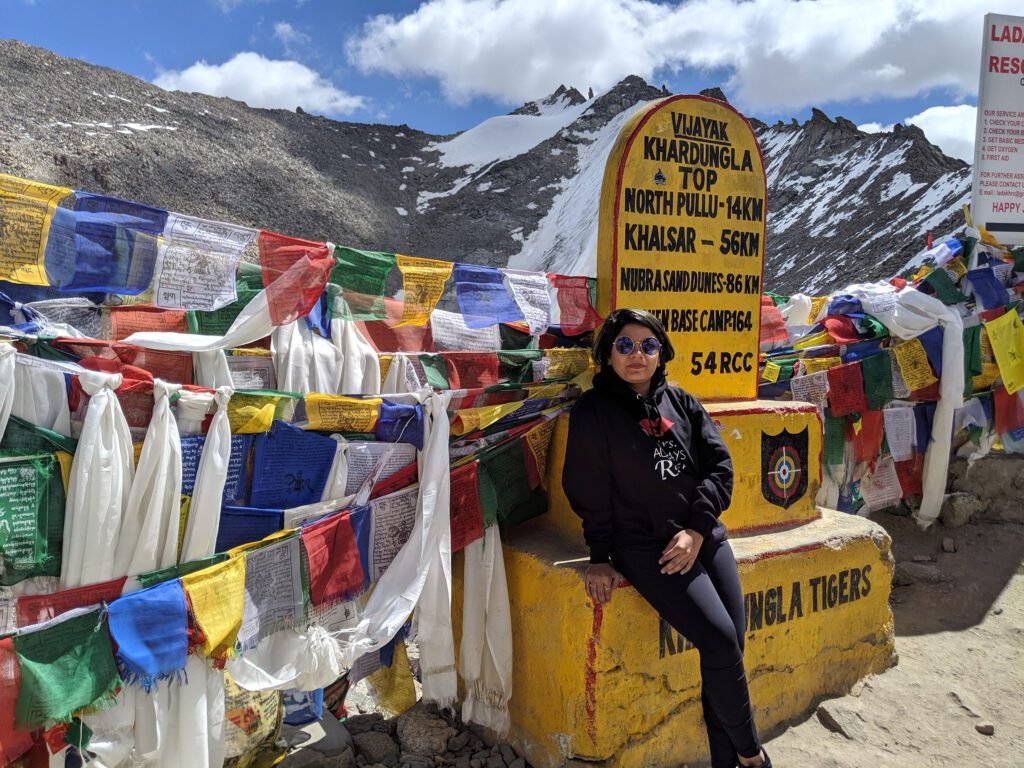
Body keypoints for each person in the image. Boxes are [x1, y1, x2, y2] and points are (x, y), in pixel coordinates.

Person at [562, 308, 771, 768]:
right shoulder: (593, 412)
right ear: (608, 355)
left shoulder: (682, 402)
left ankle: (725, 760)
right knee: (718, 643)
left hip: (703, 537)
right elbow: (587, 488)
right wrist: (599, 555)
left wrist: (696, 531)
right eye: (625, 346)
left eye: (648, 346)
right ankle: (752, 756)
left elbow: (720, 469)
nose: (637, 355)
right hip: (644, 546)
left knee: (731, 646)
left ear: (661, 353)